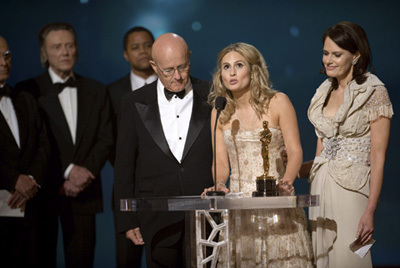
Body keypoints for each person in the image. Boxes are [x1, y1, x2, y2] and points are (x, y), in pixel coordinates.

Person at [202, 42, 314, 267]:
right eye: (226, 67)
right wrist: (220, 183)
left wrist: (287, 182)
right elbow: (221, 162)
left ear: (253, 70)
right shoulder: (220, 110)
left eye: (239, 65)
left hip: (277, 205)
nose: (231, 73)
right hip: (239, 211)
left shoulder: (278, 102)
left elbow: (295, 151)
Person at [15, 22, 113, 268]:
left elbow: (105, 138)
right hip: (43, 192)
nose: (65, 52)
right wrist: (67, 173)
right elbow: (30, 144)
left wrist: (84, 173)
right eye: (57, 47)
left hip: (85, 193)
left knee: (82, 261)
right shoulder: (27, 91)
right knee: (39, 260)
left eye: (70, 46)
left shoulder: (97, 90)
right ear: (44, 53)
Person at [113, 32, 214, 267]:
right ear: (154, 66)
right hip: (156, 217)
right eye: (168, 70)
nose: (177, 77)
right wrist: (126, 219)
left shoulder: (213, 94)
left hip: (207, 216)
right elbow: (124, 166)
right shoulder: (132, 102)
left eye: (183, 67)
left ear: (189, 58)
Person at [302, 21, 394, 267]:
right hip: (320, 188)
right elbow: (322, 152)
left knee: (350, 258)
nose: (328, 60)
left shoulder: (374, 91)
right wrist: (294, 168)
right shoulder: (323, 92)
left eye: (336, 54)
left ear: (356, 55)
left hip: (352, 190)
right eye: (325, 53)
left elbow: (378, 156)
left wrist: (370, 211)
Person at [107, 26, 157, 268]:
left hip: (166, 189)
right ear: (126, 54)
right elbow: (108, 141)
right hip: (127, 190)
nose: (142, 51)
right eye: (135, 47)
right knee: (127, 259)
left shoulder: (177, 87)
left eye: (147, 45)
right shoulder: (112, 93)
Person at [0, 36, 50, 268]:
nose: (3, 62)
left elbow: (43, 144)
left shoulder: (25, 98)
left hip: (30, 213)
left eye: (7, 55)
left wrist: (31, 180)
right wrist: (13, 179)